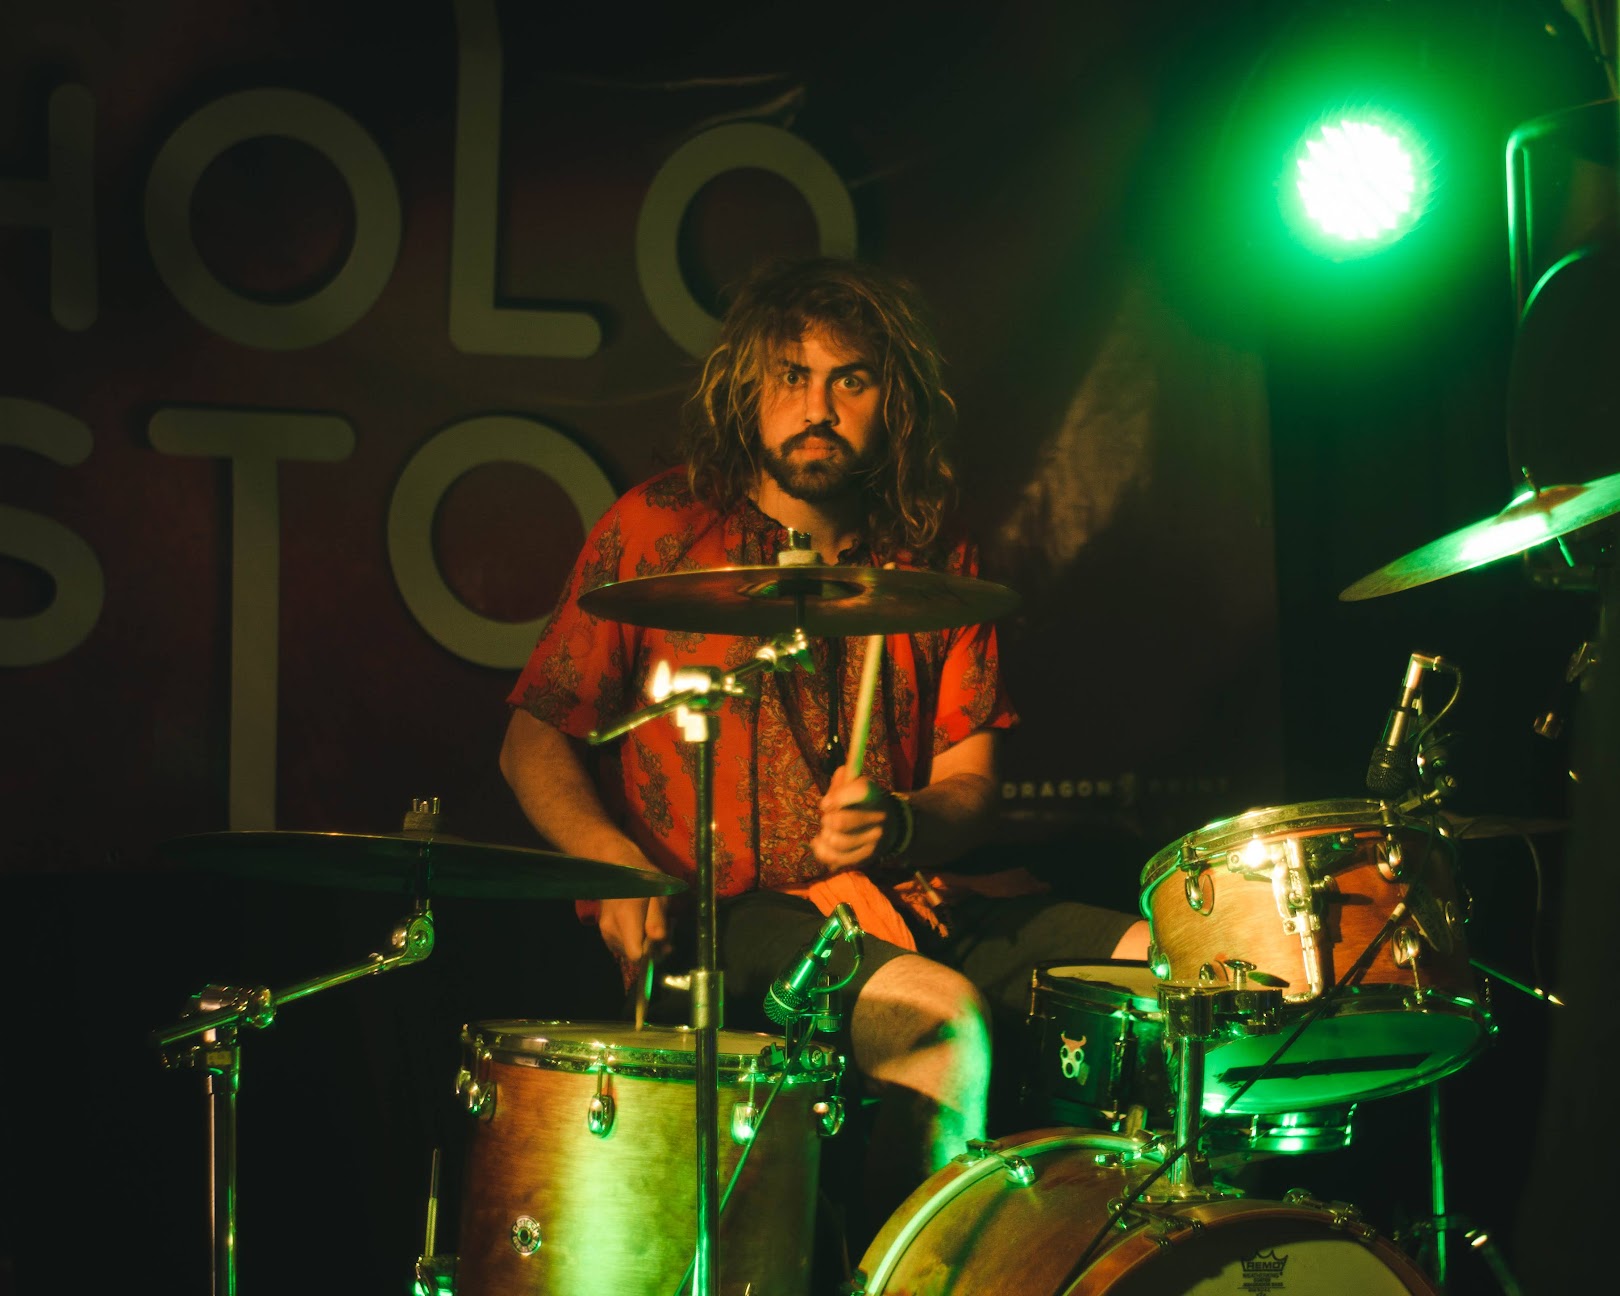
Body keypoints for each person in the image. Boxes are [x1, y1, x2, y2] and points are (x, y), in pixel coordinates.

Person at [498, 255, 1148, 1239]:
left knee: (1171, 973)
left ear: (896, 401)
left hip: (913, 900)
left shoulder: (930, 555)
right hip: (722, 922)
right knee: (942, 1021)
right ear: (746, 389)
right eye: (792, 376)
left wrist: (904, 823)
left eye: (852, 380)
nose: (818, 407)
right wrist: (615, 866)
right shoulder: (660, 529)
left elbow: (969, 784)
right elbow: (531, 740)